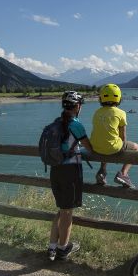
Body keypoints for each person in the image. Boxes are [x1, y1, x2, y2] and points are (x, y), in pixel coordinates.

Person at [47, 91, 92, 262]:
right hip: (70, 171)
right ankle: (63, 249)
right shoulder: (75, 125)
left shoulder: (56, 123)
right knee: (67, 213)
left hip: (55, 170)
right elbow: (91, 148)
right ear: (77, 106)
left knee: (61, 209)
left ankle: (52, 247)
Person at [91, 83, 138, 188]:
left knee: (106, 141)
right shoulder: (121, 113)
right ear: (119, 99)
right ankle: (123, 174)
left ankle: (101, 172)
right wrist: (122, 151)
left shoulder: (97, 112)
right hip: (111, 147)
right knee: (135, 147)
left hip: (95, 147)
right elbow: (123, 137)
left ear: (101, 98)